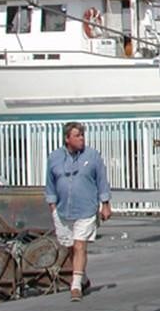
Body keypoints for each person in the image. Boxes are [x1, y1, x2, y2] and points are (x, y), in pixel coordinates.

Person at [45, 122, 112, 300]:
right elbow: (50, 184)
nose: (81, 138)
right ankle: (83, 278)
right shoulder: (54, 158)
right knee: (68, 248)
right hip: (62, 210)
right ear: (67, 138)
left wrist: (105, 203)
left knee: (79, 245)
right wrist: (52, 206)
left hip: (86, 208)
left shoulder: (93, 156)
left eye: (82, 135)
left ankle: (75, 287)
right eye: (77, 135)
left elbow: (102, 180)